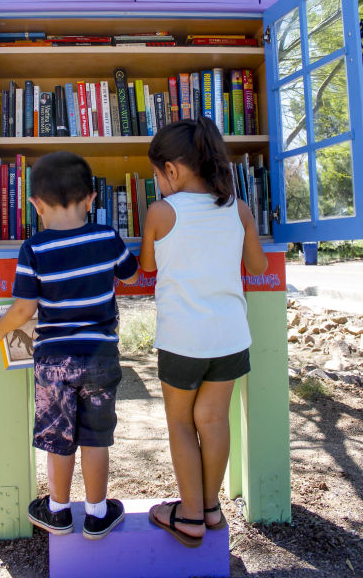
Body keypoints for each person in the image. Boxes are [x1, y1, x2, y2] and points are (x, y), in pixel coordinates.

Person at [0, 151, 139, 540]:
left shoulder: (33, 248)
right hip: (101, 357)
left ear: (35, 204)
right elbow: (132, 273)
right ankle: (97, 513)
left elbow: (23, 310)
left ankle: (56, 511)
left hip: (54, 360)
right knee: (95, 438)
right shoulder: (106, 237)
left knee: (59, 436)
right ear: (92, 199)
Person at [139, 117, 268, 548]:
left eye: (156, 175)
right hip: (230, 337)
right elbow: (257, 267)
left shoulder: (161, 212)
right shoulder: (239, 208)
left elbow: (148, 267)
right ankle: (210, 508)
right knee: (213, 420)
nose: (158, 183)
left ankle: (189, 515)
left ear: (171, 170)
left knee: (180, 422)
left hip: (182, 341)